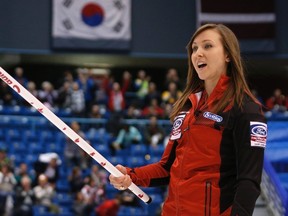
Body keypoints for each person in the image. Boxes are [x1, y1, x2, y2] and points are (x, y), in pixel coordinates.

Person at [109, 23, 267, 216]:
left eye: (207, 46)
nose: (198, 53)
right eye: (194, 48)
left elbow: (249, 181)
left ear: (228, 55)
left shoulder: (246, 109)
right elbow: (166, 168)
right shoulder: (187, 107)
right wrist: (130, 175)